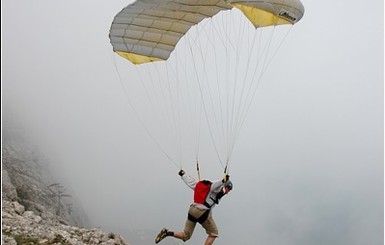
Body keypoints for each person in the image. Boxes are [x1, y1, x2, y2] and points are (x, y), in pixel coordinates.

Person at [155, 169, 233, 245]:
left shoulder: (201, 187)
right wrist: (222, 181)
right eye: (228, 188)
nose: (228, 191)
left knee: (186, 236)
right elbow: (214, 185)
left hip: (192, 210)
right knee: (214, 233)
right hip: (201, 211)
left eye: (229, 190)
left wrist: (183, 175)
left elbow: (190, 182)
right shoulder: (217, 188)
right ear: (224, 186)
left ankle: (167, 233)